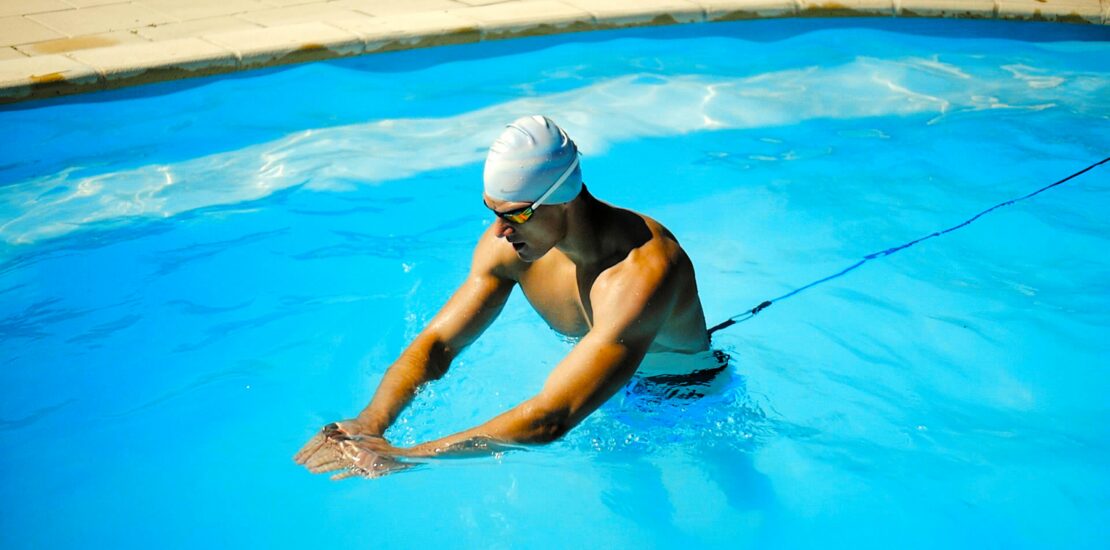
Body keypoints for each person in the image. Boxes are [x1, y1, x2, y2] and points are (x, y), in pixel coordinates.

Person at [294, 115, 724, 479]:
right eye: (493, 211)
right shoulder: (515, 247)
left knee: (736, 498)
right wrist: (369, 425)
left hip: (691, 400)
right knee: (629, 496)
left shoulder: (643, 272)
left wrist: (405, 456)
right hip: (607, 394)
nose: (499, 231)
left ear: (565, 198)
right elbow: (437, 346)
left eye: (515, 214)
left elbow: (551, 418)